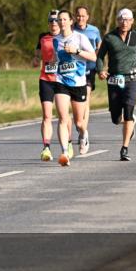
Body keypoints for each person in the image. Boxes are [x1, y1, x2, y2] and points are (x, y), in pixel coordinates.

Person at [96, 8, 136, 161]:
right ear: (117, 20)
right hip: (114, 79)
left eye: (127, 19)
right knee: (115, 118)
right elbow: (100, 56)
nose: (124, 22)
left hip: (132, 79)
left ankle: (124, 148)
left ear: (132, 21)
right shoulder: (109, 38)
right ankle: (128, 122)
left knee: (128, 111)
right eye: (122, 19)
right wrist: (100, 70)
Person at [52, 10, 97, 166]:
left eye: (65, 19)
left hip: (78, 83)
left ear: (71, 21)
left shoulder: (80, 37)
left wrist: (77, 51)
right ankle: (64, 152)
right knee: (63, 118)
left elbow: (93, 57)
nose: (62, 22)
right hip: (61, 81)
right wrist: (50, 65)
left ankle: (83, 134)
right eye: (59, 20)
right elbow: (54, 59)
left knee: (79, 123)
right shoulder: (55, 40)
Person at [32, 10, 61, 161]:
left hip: (63, 80)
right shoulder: (43, 37)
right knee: (47, 116)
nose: (54, 23)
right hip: (46, 79)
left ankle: (67, 143)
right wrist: (36, 59)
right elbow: (37, 53)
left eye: (56, 20)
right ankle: (46, 148)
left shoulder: (67, 37)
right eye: (51, 21)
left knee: (63, 116)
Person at [73, 6, 102, 153]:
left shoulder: (94, 30)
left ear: (88, 17)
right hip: (75, 70)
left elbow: (99, 46)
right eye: (78, 16)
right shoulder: (71, 30)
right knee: (77, 102)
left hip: (89, 68)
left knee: (86, 99)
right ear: (75, 17)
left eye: (83, 16)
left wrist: (98, 62)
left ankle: (83, 130)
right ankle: (81, 128)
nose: (80, 18)